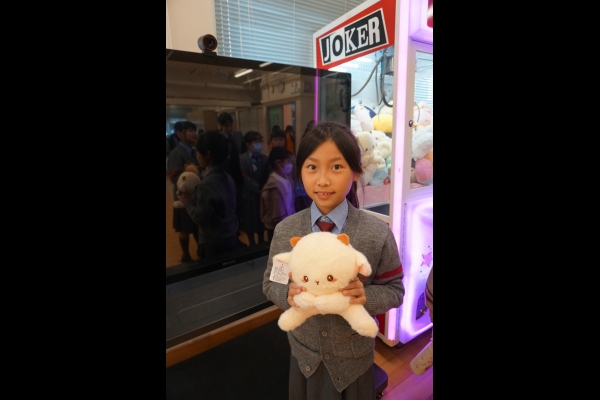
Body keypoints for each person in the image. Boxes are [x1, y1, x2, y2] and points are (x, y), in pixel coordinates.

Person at [262, 121, 405, 399]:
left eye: (336, 167)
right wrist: (287, 294)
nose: (323, 180)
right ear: (300, 171)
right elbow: (271, 283)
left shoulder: (377, 234)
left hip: (354, 362)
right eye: (312, 167)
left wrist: (365, 296)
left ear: (356, 172)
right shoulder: (286, 231)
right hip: (304, 357)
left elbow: (395, 290)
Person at [178, 131, 240, 259]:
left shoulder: (205, 185)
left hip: (214, 243)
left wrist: (187, 202)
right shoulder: (227, 177)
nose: (196, 154)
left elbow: (201, 218)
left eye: (197, 151)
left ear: (207, 155)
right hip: (230, 235)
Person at [167, 121, 200, 263]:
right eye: (190, 131)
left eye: (194, 131)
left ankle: (200, 250)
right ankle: (186, 255)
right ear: (180, 134)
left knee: (196, 225)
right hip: (182, 196)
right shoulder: (176, 153)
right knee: (184, 228)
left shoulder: (194, 150)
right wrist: (190, 178)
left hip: (196, 195)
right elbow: (174, 176)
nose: (194, 134)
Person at [260, 147, 296, 242]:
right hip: (278, 228)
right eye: (288, 161)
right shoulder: (274, 186)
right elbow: (277, 215)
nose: (291, 165)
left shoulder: (287, 179)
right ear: (278, 163)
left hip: (288, 224)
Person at [239, 130, 269, 246]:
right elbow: (246, 179)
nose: (259, 144)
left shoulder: (265, 158)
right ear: (248, 145)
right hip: (249, 196)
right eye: (256, 142)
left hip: (262, 196)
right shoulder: (243, 159)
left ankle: (261, 241)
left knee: (261, 221)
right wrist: (260, 189)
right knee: (250, 222)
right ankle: (251, 243)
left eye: (261, 141)